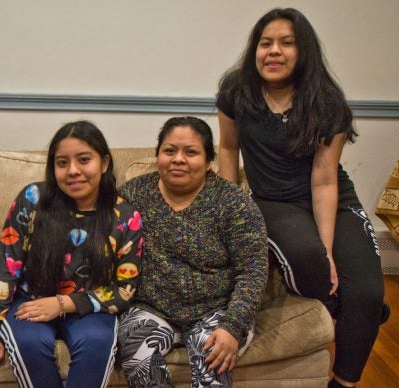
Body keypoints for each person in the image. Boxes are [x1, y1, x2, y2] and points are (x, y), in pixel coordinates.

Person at [216, 8, 387, 388]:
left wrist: (329, 249)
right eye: (266, 43)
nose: (274, 52)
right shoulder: (235, 92)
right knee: (312, 262)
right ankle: (352, 309)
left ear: (303, 50)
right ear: (255, 49)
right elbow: (227, 149)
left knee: (369, 290)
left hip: (332, 199)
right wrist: (230, 207)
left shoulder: (327, 102)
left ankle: (343, 381)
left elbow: (324, 181)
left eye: (286, 43)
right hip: (273, 203)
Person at [0, 120, 144, 387]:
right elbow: (6, 268)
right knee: (30, 342)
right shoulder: (32, 198)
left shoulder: (125, 216)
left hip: (90, 307)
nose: (73, 171)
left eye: (84, 160)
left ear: (103, 164)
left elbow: (125, 289)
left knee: (97, 342)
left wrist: (62, 304)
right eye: (62, 163)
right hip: (31, 300)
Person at [117, 116, 268, 387]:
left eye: (191, 152)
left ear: (209, 160)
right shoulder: (133, 195)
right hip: (151, 308)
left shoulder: (234, 203)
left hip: (216, 309)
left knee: (213, 356)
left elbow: (253, 271)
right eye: (169, 150)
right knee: (135, 347)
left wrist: (233, 326)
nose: (178, 159)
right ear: (158, 155)